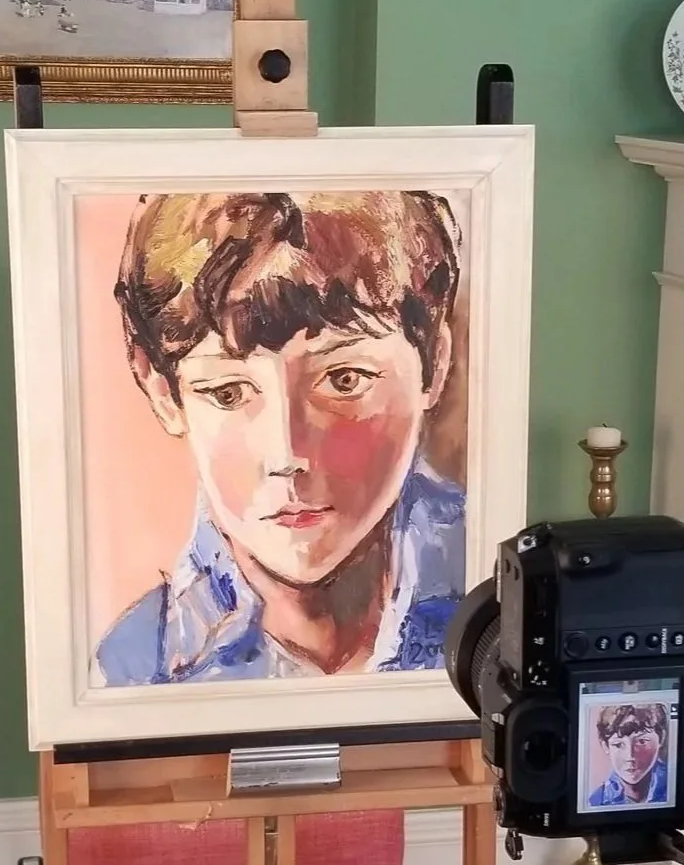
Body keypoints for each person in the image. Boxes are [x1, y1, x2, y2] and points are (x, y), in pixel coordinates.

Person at [95, 190, 466, 685]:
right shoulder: (134, 664)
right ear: (162, 392)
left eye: (345, 380)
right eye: (228, 392)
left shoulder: (495, 589)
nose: (287, 453)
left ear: (433, 367)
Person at [588, 702, 669, 807]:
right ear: (605, 746)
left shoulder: (676, 785)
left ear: (661, 738)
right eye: (618, 744)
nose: (630, 756)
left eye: (642, 742)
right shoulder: (597, 801)